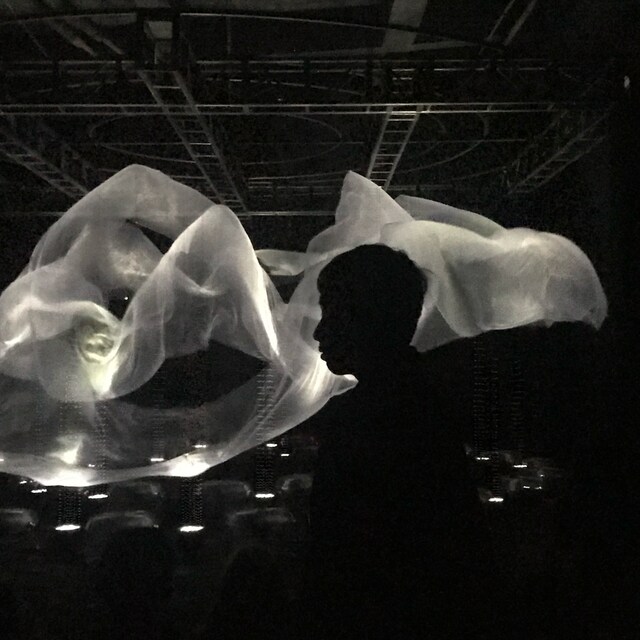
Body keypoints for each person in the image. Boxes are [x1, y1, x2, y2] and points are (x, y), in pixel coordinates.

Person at [302, 244, 498, 639]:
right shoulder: (427, 400)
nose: (320, 331)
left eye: (332, 311)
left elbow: (347, 563)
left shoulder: (372, 418)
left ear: (366, 318)